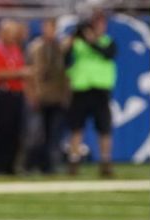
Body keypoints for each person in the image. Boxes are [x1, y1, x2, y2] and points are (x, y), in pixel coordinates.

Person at [65, 12, 117, 178]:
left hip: (100, 90)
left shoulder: (108, 42)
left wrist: (91, 40)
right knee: (76, 127)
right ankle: (74, 161)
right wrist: (74, 38)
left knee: (104, 128)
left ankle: (105, 162)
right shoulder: (78, 44)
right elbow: (65, 59)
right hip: (81, 89)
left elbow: (107, 54)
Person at [0, 20, 31, 175]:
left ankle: (10, 165)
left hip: (16, 94)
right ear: (2, 33)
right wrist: (20, 72)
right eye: (9, 32)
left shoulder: (16, 49)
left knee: (14, 131)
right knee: (1, 130)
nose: (13, 36)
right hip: (2, 94)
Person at [25, 18, 69, 174]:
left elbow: (65, 74)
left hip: (55, 96)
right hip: (40, 94)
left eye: (51, 28)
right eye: (46, 27)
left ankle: (48, 165)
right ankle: (30, 165)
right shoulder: (36, 47)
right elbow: (31, 72)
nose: (48, 30)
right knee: (36, 133)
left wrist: (65, 94)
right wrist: (32, 93)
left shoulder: (60, 47)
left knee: (53, 133)